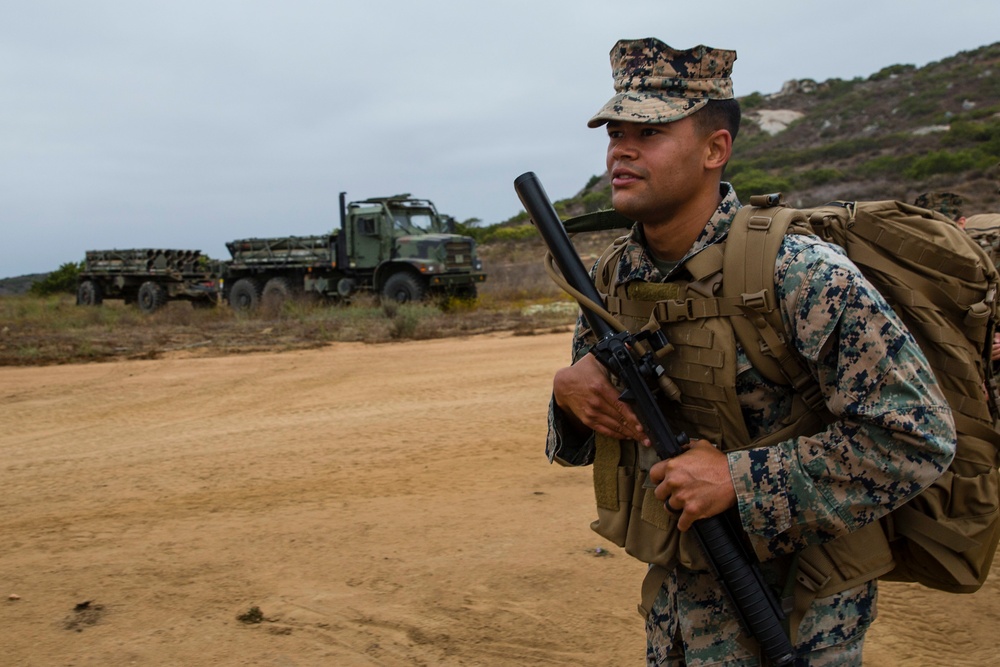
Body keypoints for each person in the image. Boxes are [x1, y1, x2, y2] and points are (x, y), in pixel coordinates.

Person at [545, 38, 957, 666]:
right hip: (679, 612)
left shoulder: (798, 272)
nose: (621, 150)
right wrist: (568, 398)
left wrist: (738, 480)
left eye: (649, 132)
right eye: (615, 132)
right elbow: (590, 442)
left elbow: (919, 436)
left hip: (801, 614)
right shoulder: (611, 280)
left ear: (716, 149)